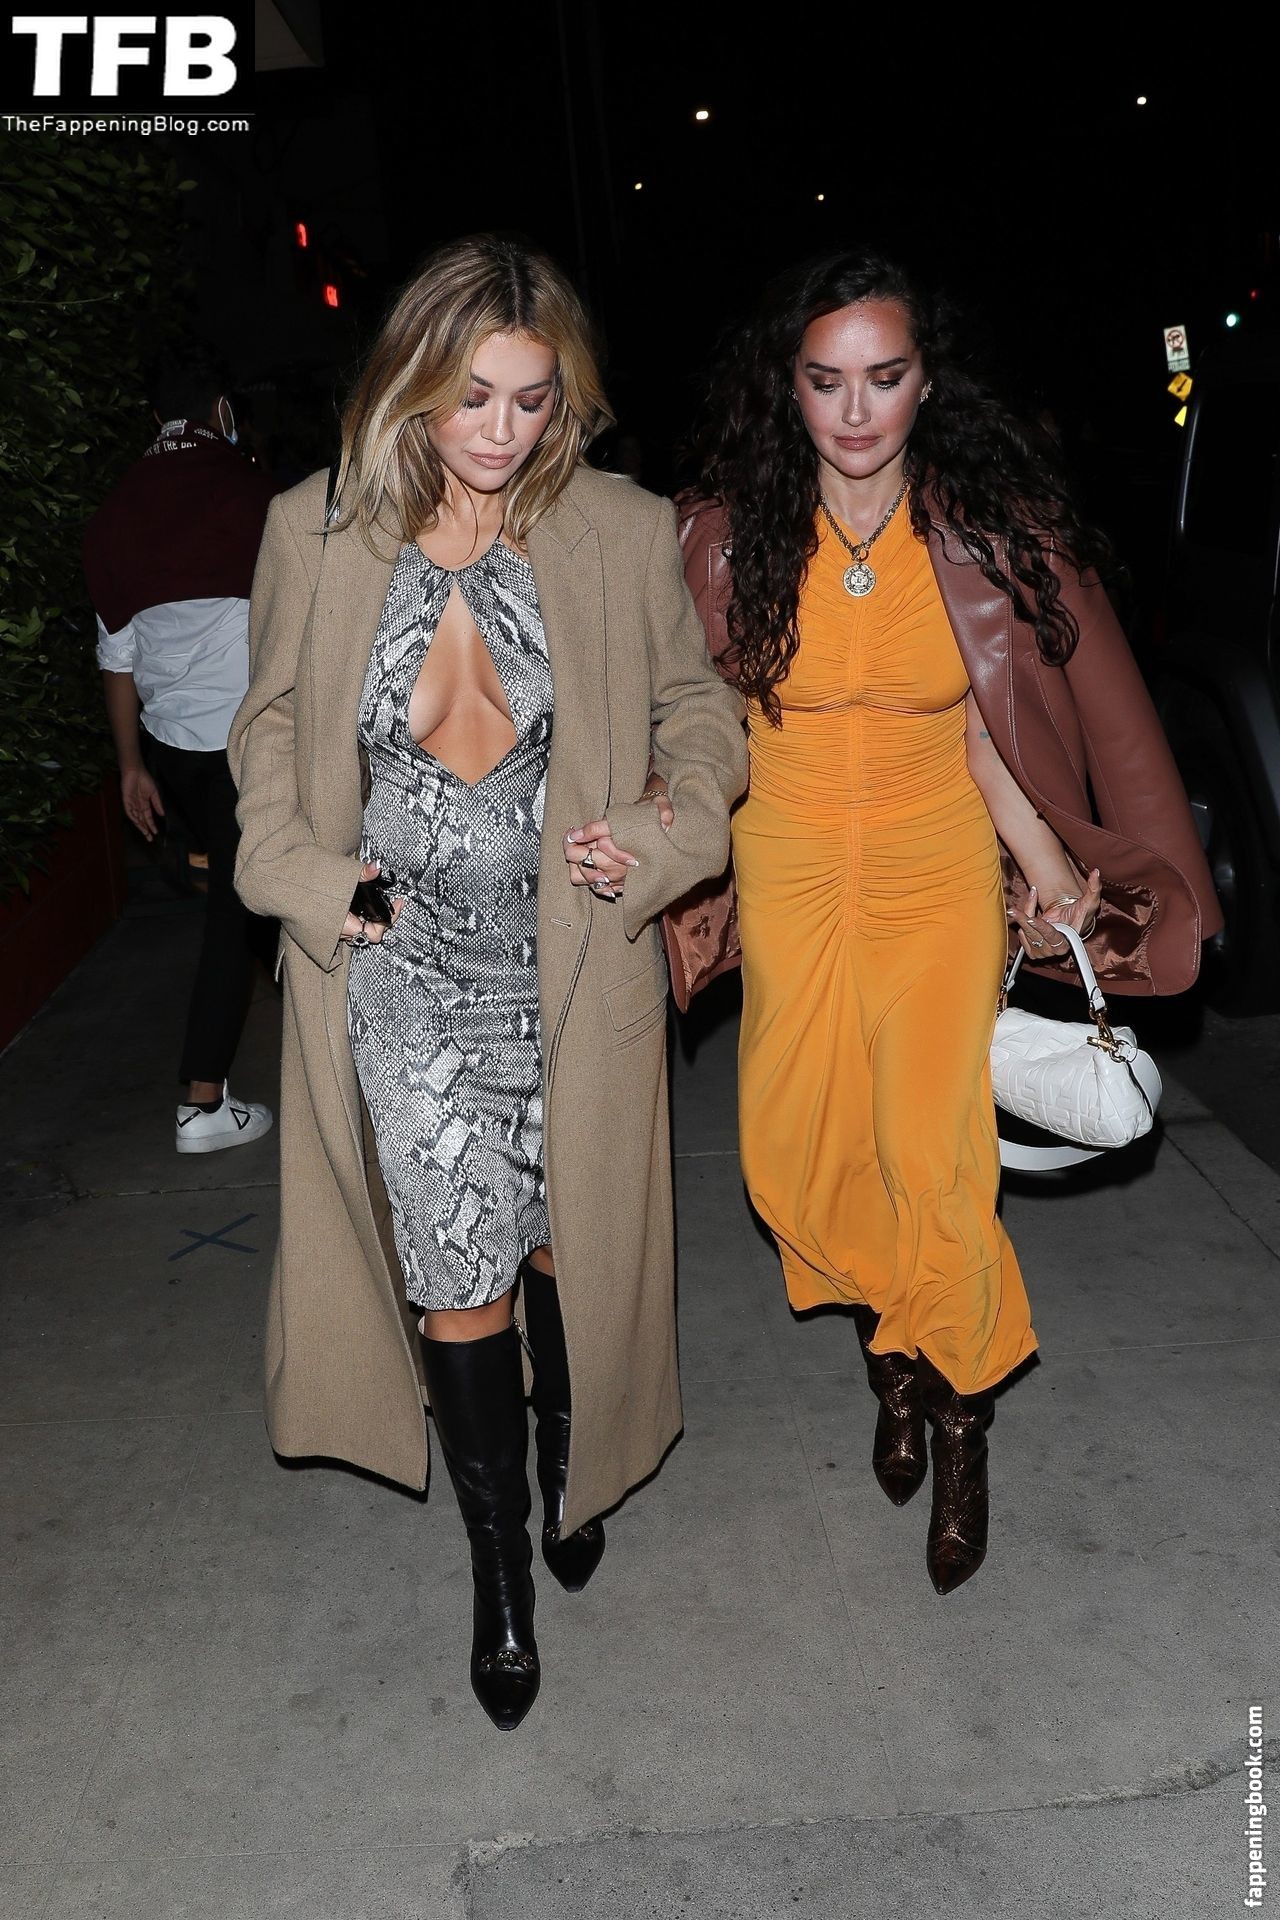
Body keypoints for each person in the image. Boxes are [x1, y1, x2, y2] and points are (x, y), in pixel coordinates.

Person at [228, 234, 747, 1729]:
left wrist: (659, 832)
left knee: (567, 1245)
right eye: (472, 398)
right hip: (398, 958)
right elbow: (269, 730)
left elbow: (701, 717)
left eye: (532, 399)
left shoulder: (618, 529)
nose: (502, 431)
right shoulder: (317, 530)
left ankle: (571, 1447)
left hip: (569, 951)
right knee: (459, 1265)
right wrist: (305, 874)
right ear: (411, 383)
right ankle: (500, 1568)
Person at [676, 248, 1220, 1595]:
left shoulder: (977, 533)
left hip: (933, 874)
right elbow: (688, 723)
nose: (856, 410)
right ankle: (897, 1347)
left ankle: (959, 1414)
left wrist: (1046, 864)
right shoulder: (729, 537)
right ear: (788, 388)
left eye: (885, 376)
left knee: (933, 1160)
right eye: (826, 381)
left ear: (927, 382)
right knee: (794, 1164)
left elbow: (992, 729)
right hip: (789, 867)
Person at [83, 353, 277, 1153]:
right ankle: (202, 1100)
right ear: (221, 411)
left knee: (252, 893)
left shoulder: (116, 512)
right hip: (253, 743)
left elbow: (116, 658)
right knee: (240, 908)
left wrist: (130, 766)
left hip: (174, 752)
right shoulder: (252, 495)